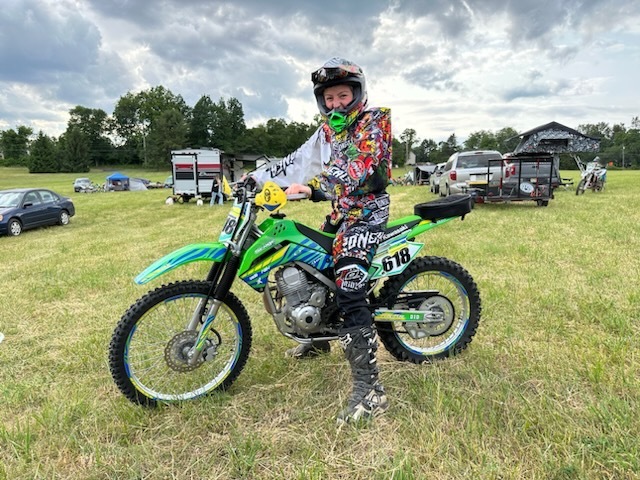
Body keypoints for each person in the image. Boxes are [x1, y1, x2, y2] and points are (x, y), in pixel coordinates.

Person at [248, 57, 392, 424]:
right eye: (329, 98)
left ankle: (371, 391)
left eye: (343, 95)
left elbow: (360, 166)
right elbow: (296, 162)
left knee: (348, 285)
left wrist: (314, 189)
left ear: (357, 93)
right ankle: (317, 340)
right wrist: (254, 179)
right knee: (308, 264)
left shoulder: (375, 122)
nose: (336, 104)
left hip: (367, 214)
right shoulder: (327, 131)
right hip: (340, 213)